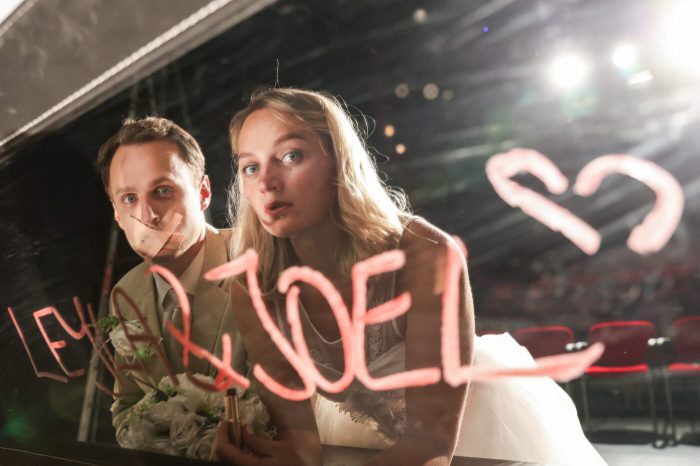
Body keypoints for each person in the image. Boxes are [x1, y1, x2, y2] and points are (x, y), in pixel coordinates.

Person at [215, 88, 607, 466]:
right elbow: (302, 448)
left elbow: (429, 447)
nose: (266, 182)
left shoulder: (425, 254)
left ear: (339, 161)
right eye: (251, 167)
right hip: (371, 440)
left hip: (474, 429)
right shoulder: (253, 288)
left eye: (290, 156)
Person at [95, 117, 246, 446]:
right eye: (129, 199)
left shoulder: (256, 261)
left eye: (163, 191)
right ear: (117, 213)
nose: (148, 216)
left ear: (203, 192)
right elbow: (127, 407)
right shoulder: (126, 293)